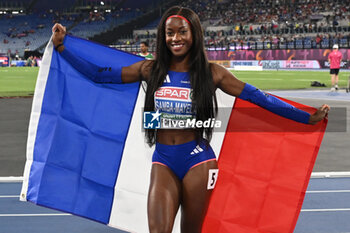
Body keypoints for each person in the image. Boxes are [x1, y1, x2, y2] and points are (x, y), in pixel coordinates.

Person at [52, 6, 329, 233]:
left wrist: (305, 118)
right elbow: (101, 73)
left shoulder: (212, 73)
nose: (175, 38)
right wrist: (64, 48)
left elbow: (259, 97)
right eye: (169, 33)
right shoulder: (151, 69)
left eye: (181, 32)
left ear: (194, 34)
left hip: (199, 160)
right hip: (163, 159)